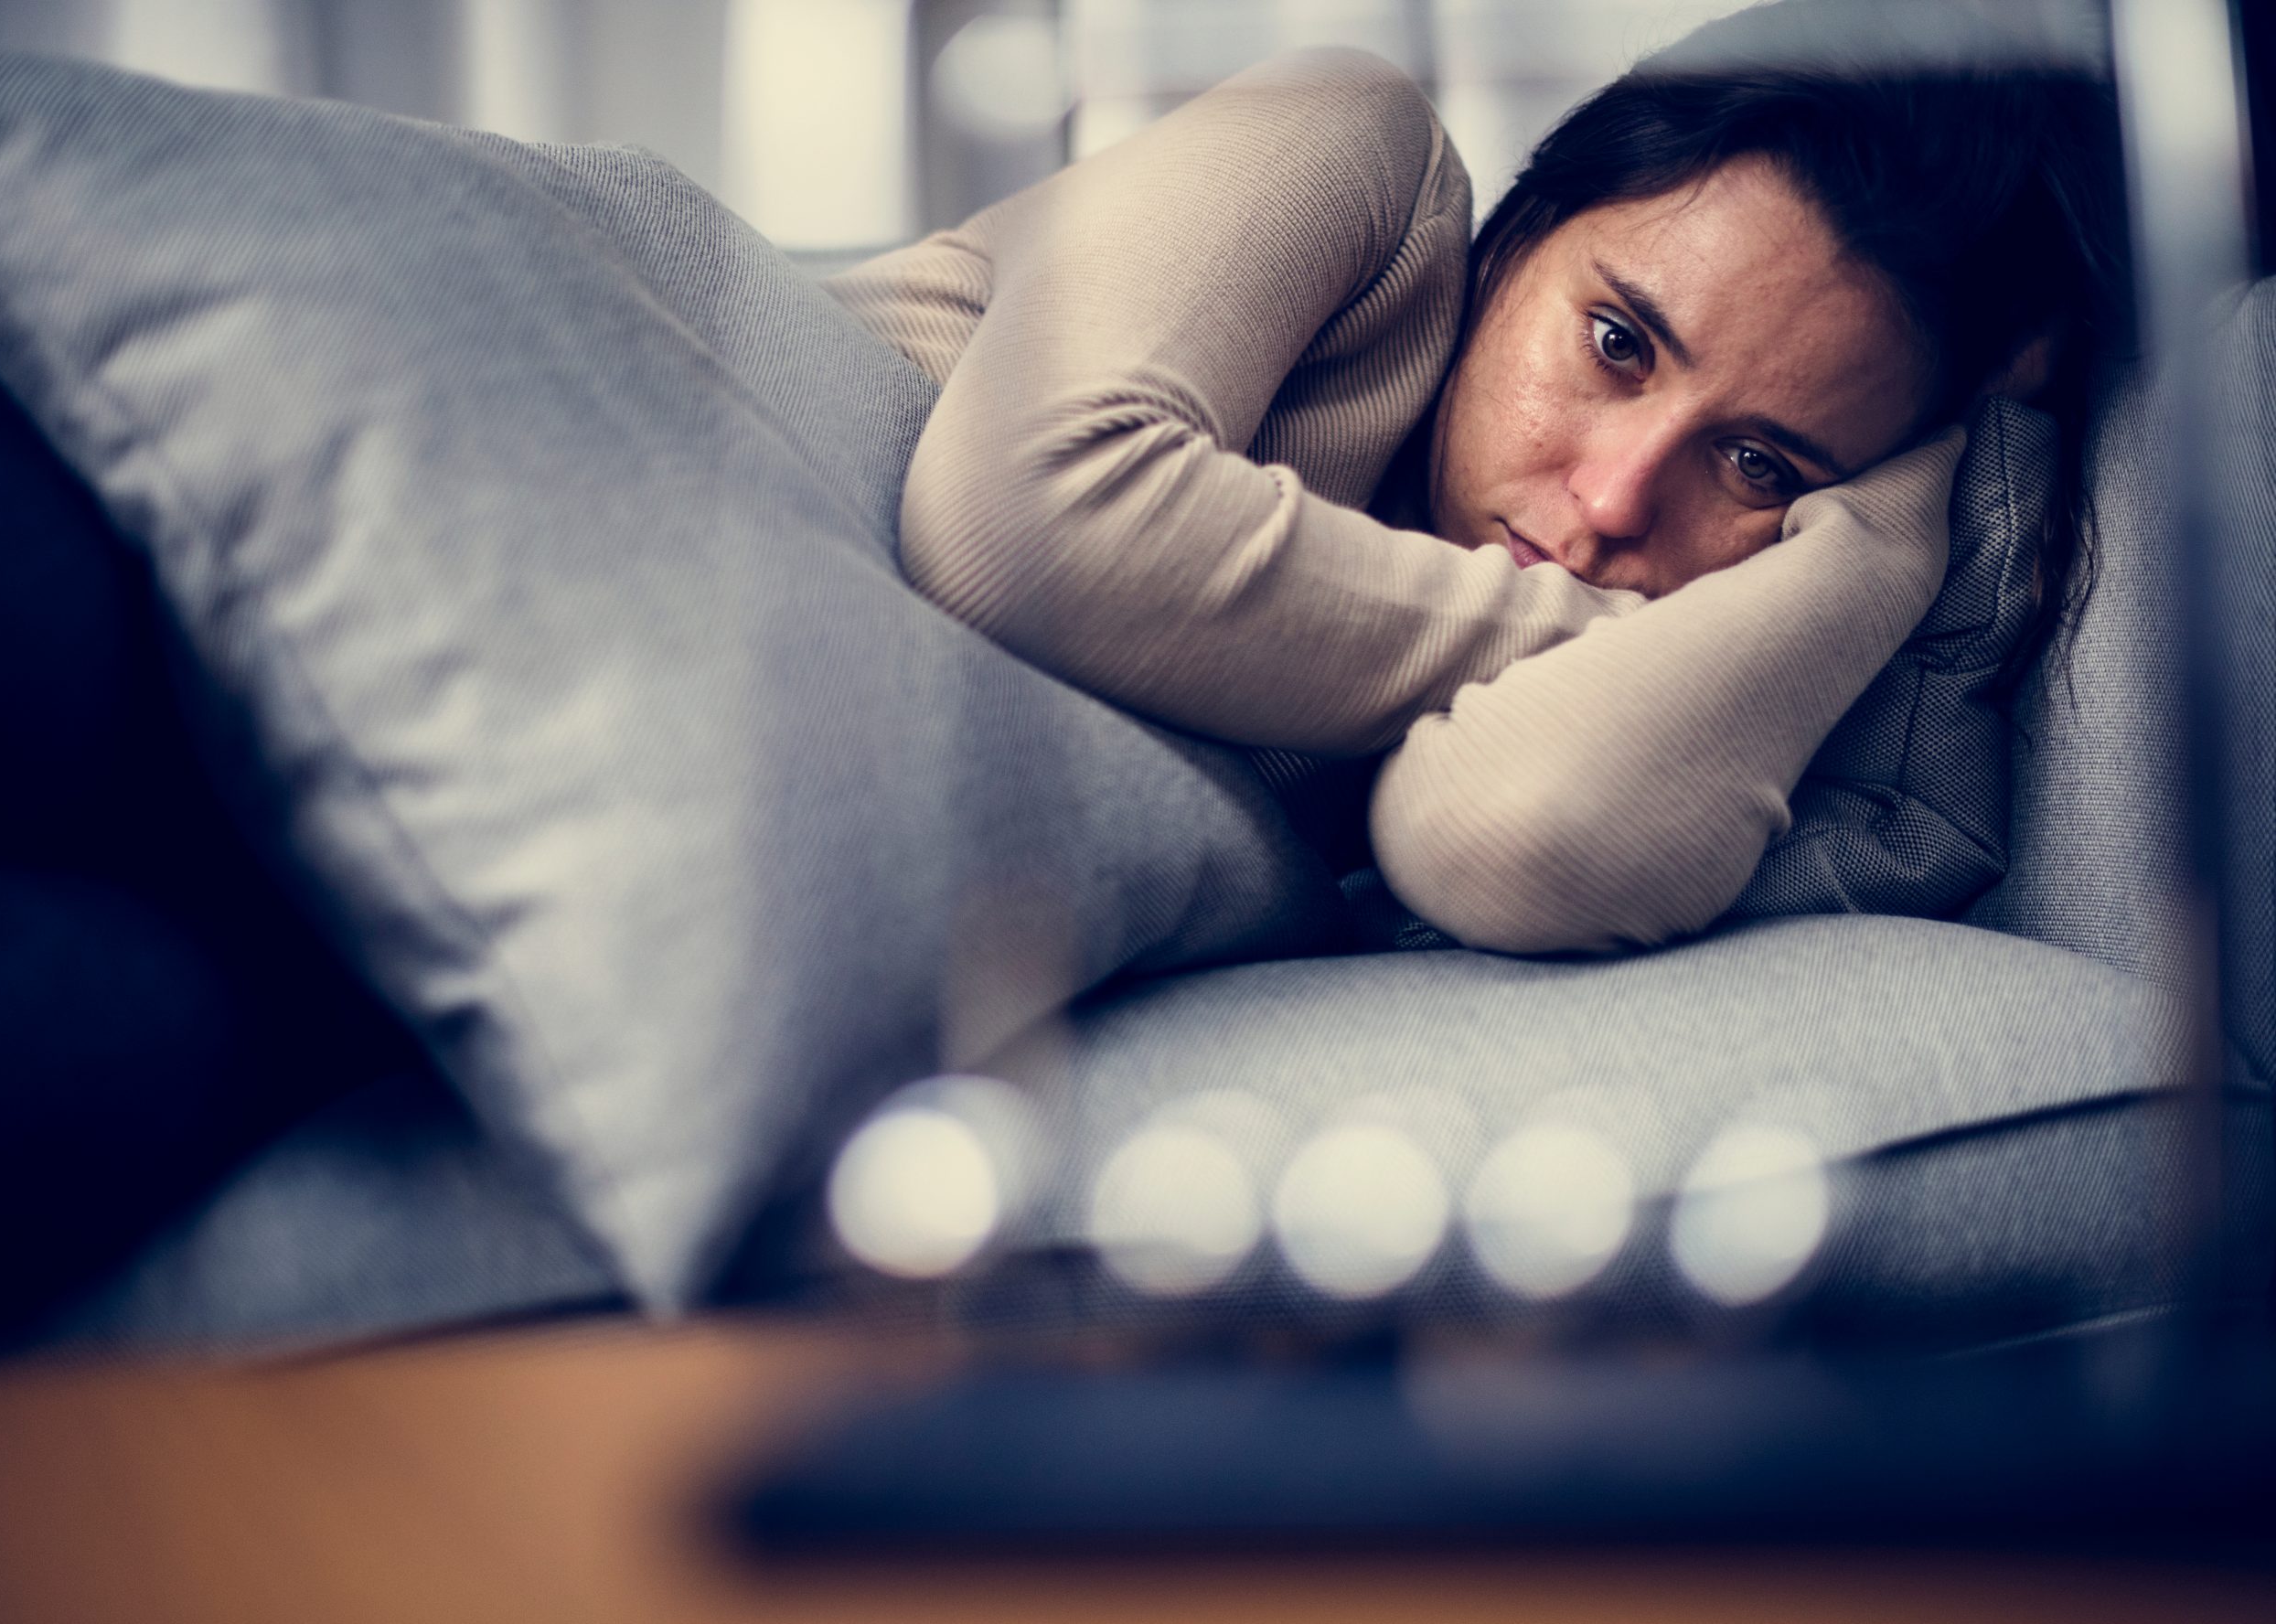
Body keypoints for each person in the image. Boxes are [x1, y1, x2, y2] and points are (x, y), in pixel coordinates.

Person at [829, 5, 2125, 956]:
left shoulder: (1502, 713)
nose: (1615, 501)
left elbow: (1516, 832)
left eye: (1757, 464)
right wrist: (1613, 635)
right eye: (1617, 344)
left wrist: (1899, 528)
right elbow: (1024, 522)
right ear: (1516, 241)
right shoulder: (1347, 145)